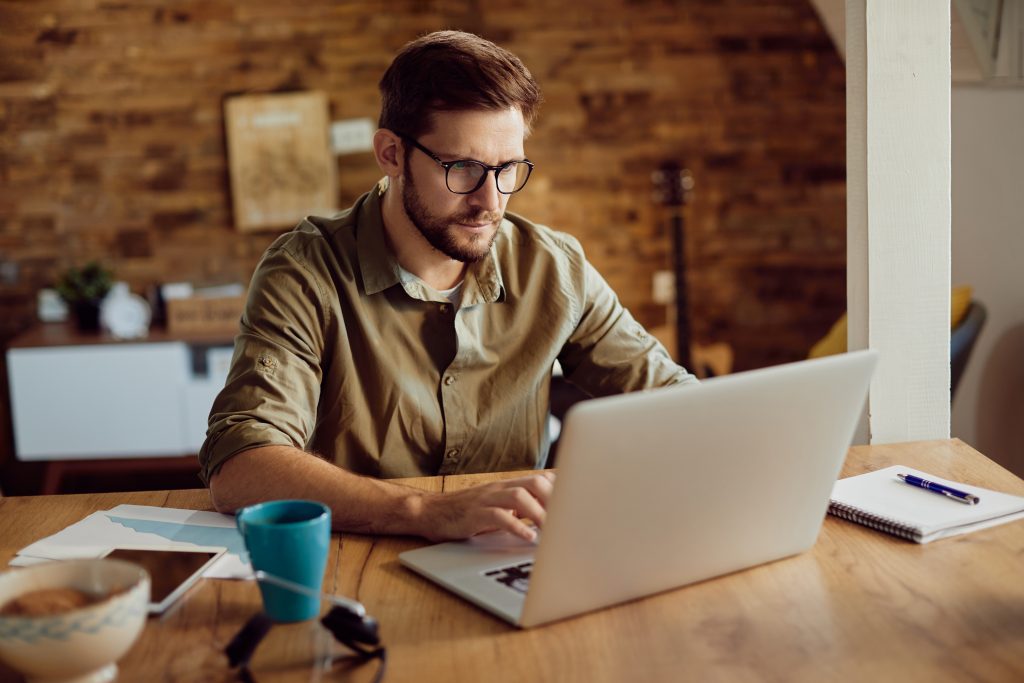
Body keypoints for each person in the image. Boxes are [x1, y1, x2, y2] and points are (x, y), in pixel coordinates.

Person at [200, 30, 696, 543]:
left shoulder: (555, 267)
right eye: (464, 169)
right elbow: (241, 466)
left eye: (508, 170)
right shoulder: (304, 272)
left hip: (508, 554)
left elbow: (680, 404)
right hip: (357, 559)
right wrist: (425, 511)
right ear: (391, 154)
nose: (491, 200)